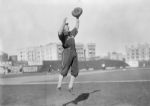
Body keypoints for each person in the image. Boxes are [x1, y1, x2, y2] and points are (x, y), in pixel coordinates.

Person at [57, 17, 80, 92]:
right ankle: (59, 84)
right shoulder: (63, 35)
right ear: (64, 27)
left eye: (67, 25)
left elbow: (76, 27)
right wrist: (63, 22)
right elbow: (59, 31)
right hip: (67, 51)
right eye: (67, 25)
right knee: (65, 69)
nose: (68, 26)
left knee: (75, 70)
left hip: (74, 52)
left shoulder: (71, 33)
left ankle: (70, 86)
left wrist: (77, 18)